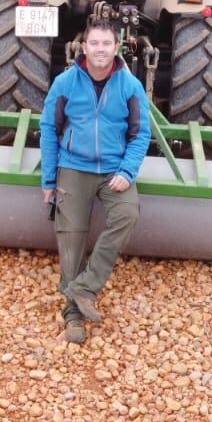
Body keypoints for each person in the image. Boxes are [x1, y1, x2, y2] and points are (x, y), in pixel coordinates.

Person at [39, 19, 151, 345]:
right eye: (95, 43)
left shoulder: (130, 87)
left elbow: (140, 132)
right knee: (71, 236)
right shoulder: (64, 83)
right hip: (73, 166)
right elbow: (48, 129)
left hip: (113, 171)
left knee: (127, 214)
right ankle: (73, 314)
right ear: (83, 47)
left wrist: (127, 172)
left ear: (116, 48)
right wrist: (49, 179)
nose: (100, 49)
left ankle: (85, 286)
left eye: (106, 44)